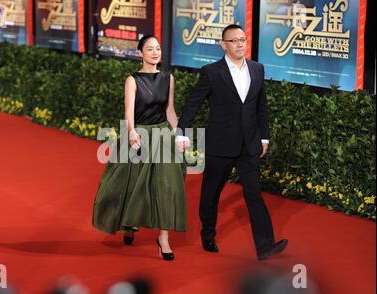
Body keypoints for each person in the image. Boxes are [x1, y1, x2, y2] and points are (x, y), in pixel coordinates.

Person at [176, 25, 288, 261]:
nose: (240, 44)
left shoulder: (257, 69)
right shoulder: (211, 72)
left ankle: (265, 246)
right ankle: (208, 234)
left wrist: (264, 137)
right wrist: (181, 132)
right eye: (234, 40)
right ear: (223, 44)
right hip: (220, 143)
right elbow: (193, 103)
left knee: (253, 193)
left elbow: (261, 107)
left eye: (243, 39)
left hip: (249, 145)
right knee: (211, 192)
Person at [93, 35, 187, 261]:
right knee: (132, 184)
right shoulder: (132, 80)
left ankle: (163, 239)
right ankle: (128, 224)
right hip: (139, 136)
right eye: (150, 49)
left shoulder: (168, 79)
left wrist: (180, 135)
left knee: (167, 186)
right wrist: (132, 132)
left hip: (163, 134)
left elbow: (170, 110)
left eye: (158, 49)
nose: (155, 53)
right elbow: (128, 112)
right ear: (141, 52)